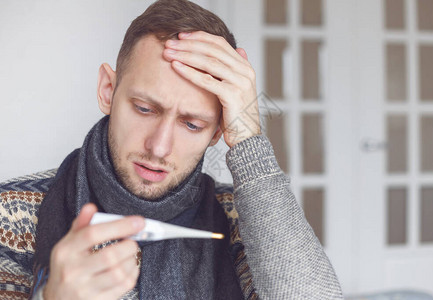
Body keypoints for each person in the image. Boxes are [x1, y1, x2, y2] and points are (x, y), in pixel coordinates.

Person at [0, 0, 343, 299]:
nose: (159, 147)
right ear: (108, 90)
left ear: (217, 133)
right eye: (145, 109)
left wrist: (249, 139)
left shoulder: (239, 219)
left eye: (192, 125)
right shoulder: (11, 213)